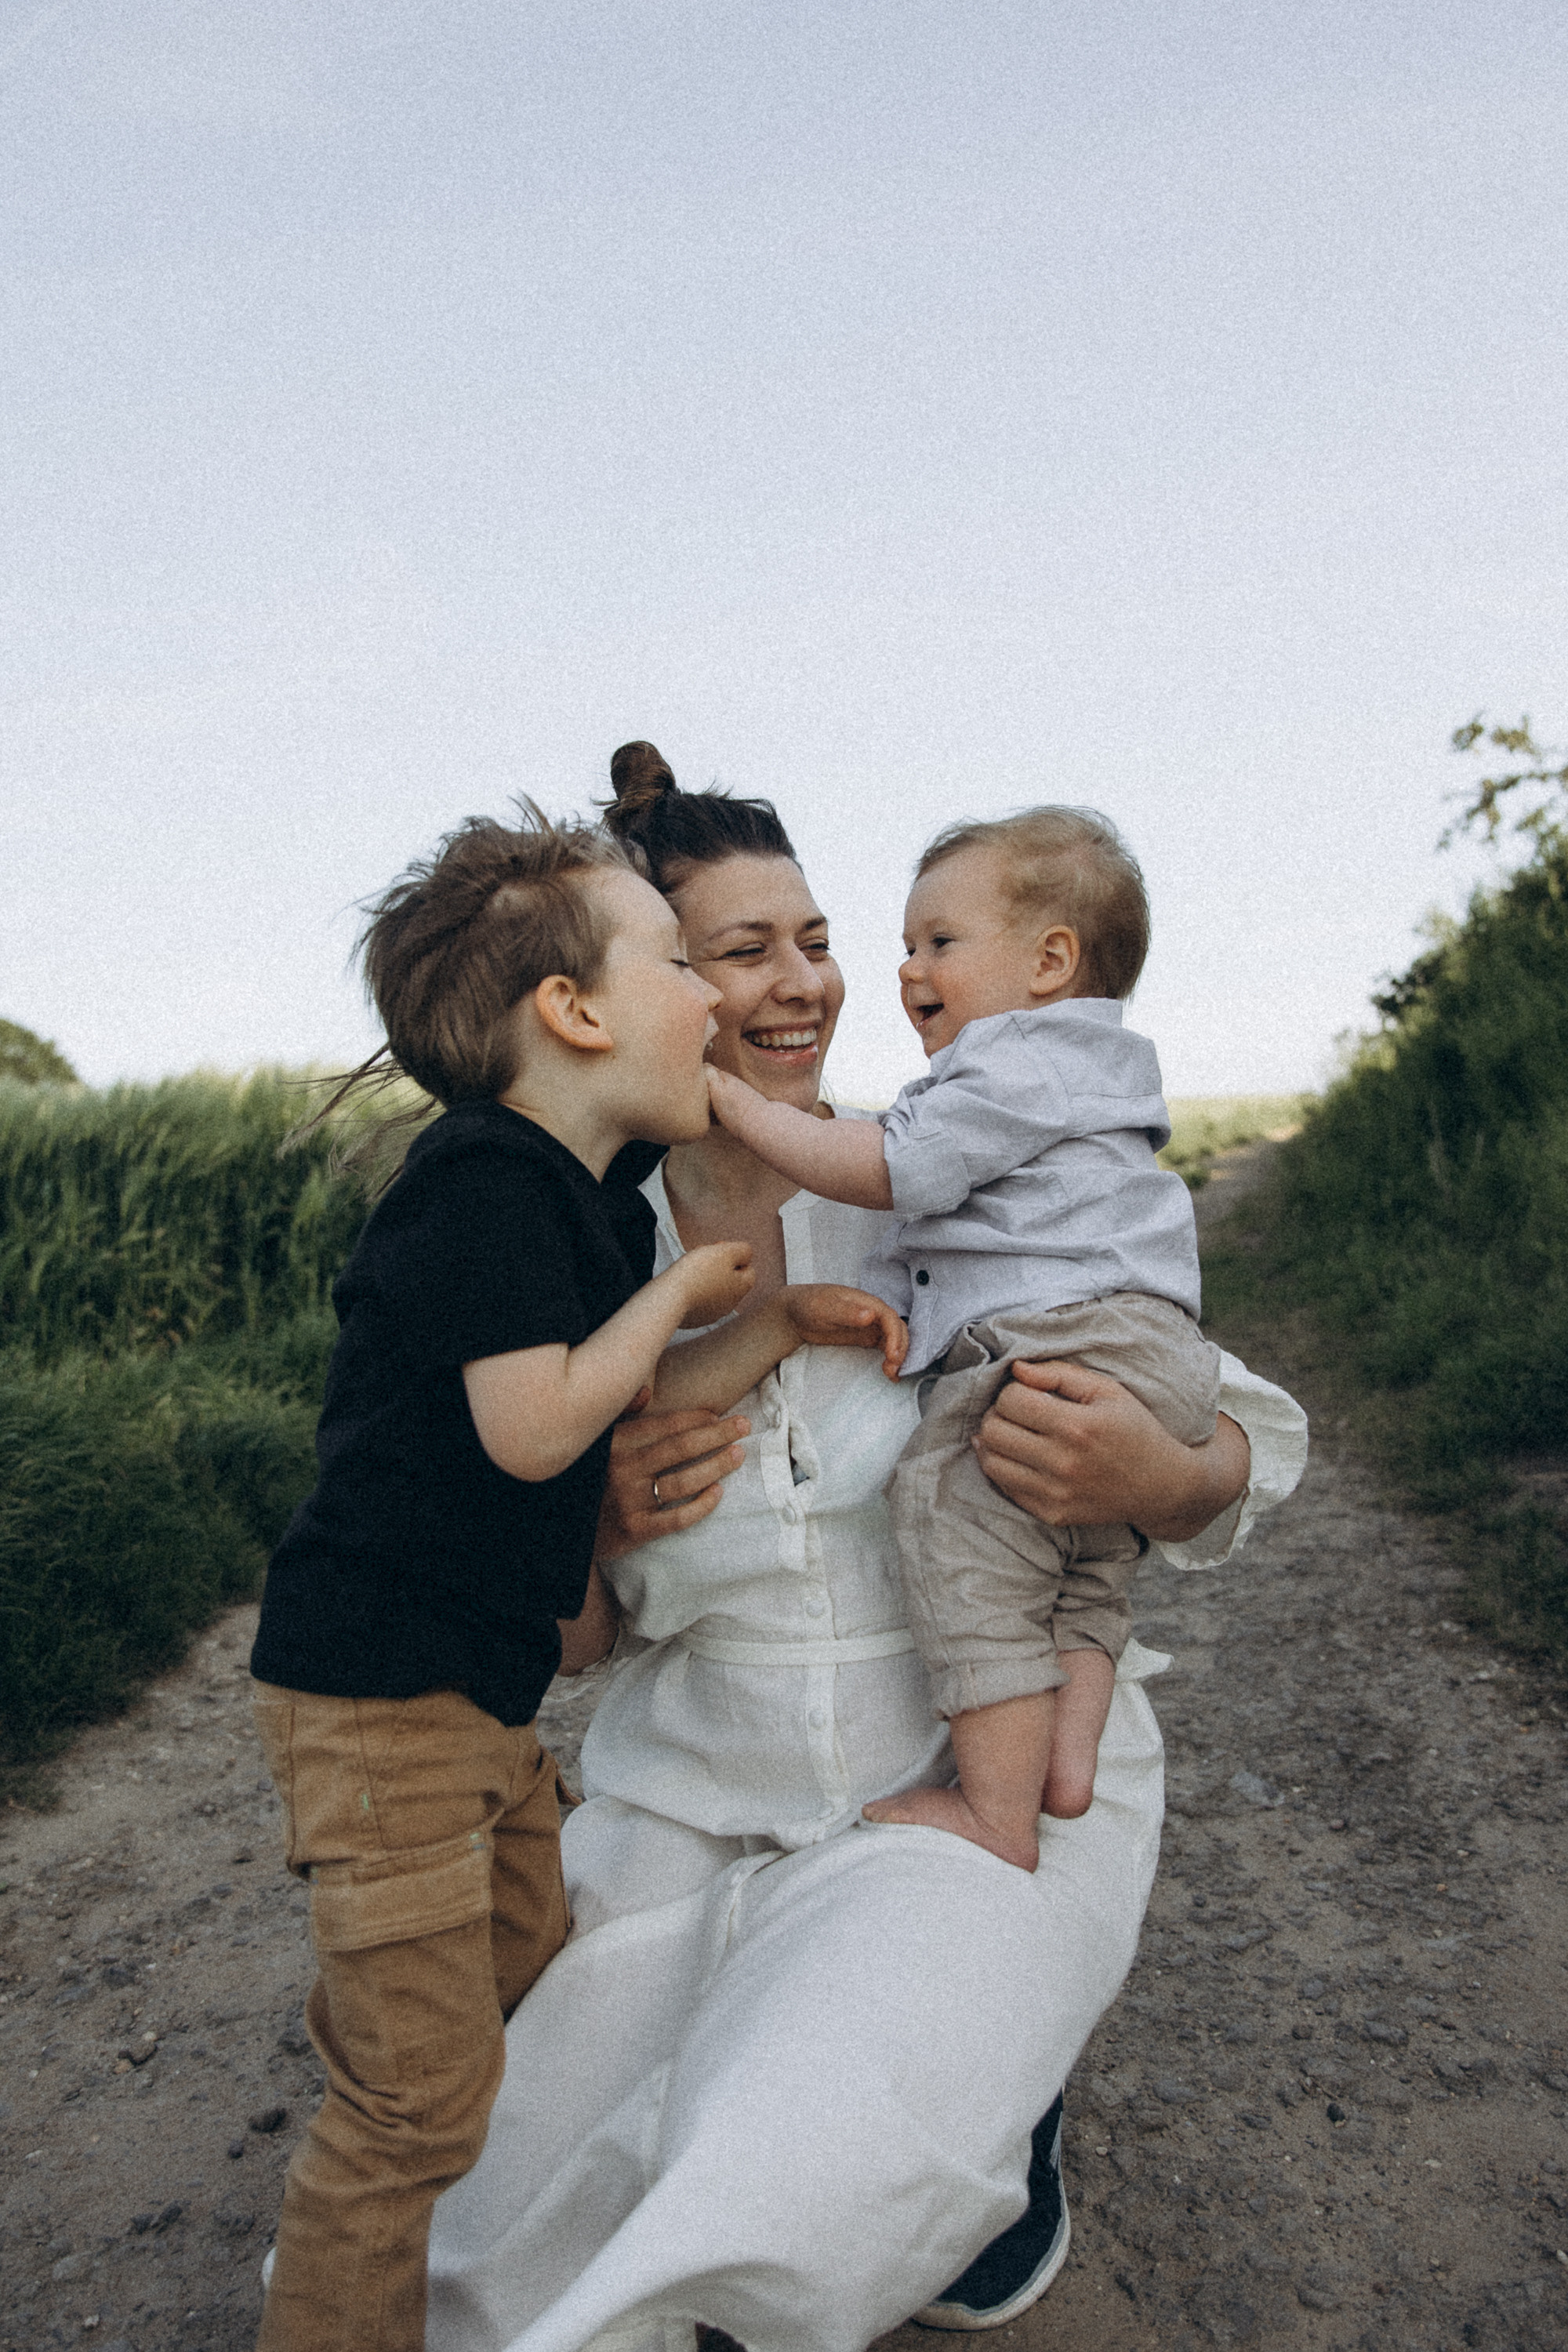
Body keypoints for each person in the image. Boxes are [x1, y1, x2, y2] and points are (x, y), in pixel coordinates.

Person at [424, 746, 1308, 2352]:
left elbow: (1237, 1448)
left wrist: (1159, 1473)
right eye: (741, 953)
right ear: (631, 993)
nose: (809, 985)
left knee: (801, 2149)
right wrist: (594, 1519)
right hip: (693, 1788)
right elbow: (563, 1644)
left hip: (968, 1751)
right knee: (484, 2215)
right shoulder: (559, 1262)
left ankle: (979, 2103)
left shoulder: (959, 1158)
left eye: (815, 938)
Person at [249, 808, 907, 2352]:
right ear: (578, 1012)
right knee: (413, 2115)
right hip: (379, 1698)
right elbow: (545, 1424)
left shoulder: (590, 1200)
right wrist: (687, 1286)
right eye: (685, 959)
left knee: (531, 1957)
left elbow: (646, 1387)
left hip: (464, 1703)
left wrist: (781, 1323)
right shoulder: (483, 1180)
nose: (714, 999)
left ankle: (388, 2015)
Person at [704, 804, 1221, 1864]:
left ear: (1050, 960)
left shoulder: (1009, 1061)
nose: (906, 971)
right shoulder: (1097, 1067)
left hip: (1055, 1353)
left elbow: (897, 1172)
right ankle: (1064, 1766)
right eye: (902, 946)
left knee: (952, 1512)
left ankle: (994, 1808)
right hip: (1153, 1351)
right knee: (1084, 1580)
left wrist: (733, 1100)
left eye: (939, 942)